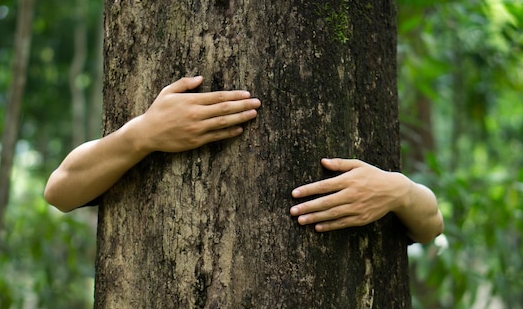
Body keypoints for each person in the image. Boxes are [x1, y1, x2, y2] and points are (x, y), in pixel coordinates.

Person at [44, 76, 443, 244]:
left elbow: (431, 226)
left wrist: (400, 190)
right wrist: (141, 134)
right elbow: (60, 190)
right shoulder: (145, 133)